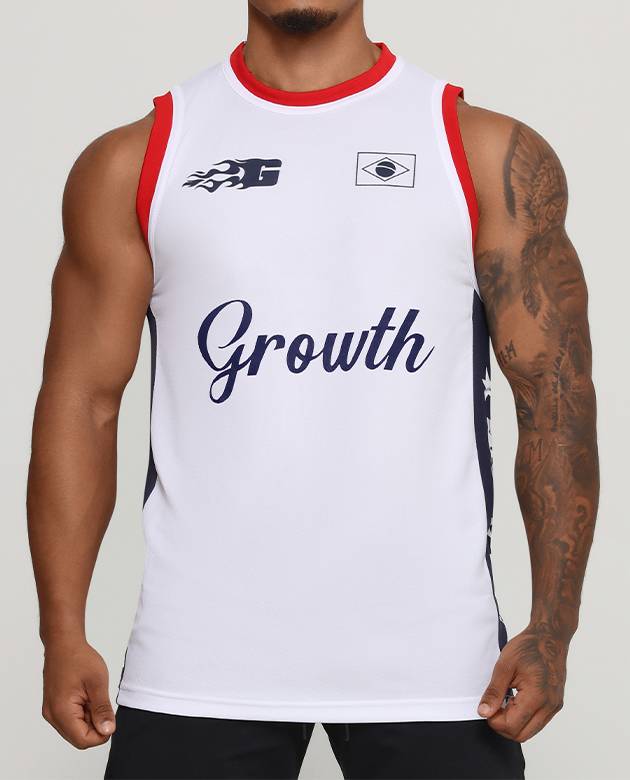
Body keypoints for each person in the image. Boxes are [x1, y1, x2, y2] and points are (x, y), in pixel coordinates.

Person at [27, 1, 599, 778]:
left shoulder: (480, 150)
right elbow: (83, 402)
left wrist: (553, 628)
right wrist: (61, 631)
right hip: (200, 660)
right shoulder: (140, 158)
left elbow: (554, 398)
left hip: (438, 667)